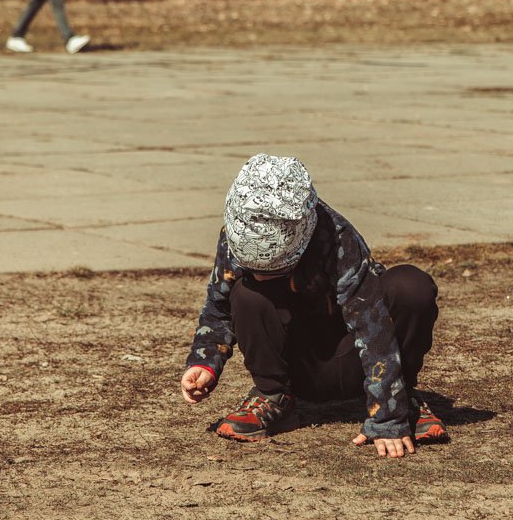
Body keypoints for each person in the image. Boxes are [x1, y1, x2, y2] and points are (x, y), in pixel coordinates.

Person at [181, 154, 449, 460]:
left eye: (274, 270)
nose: (260, 276)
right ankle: (274, 397)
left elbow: (372, 326)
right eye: (252, 268)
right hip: (300, 367)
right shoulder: (234, 236)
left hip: (357, 360)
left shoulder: (337, 237)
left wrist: (387, 416)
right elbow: (218, 306)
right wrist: (204, 363)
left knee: (410, 286)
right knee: (245, 293)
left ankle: (402, 399)